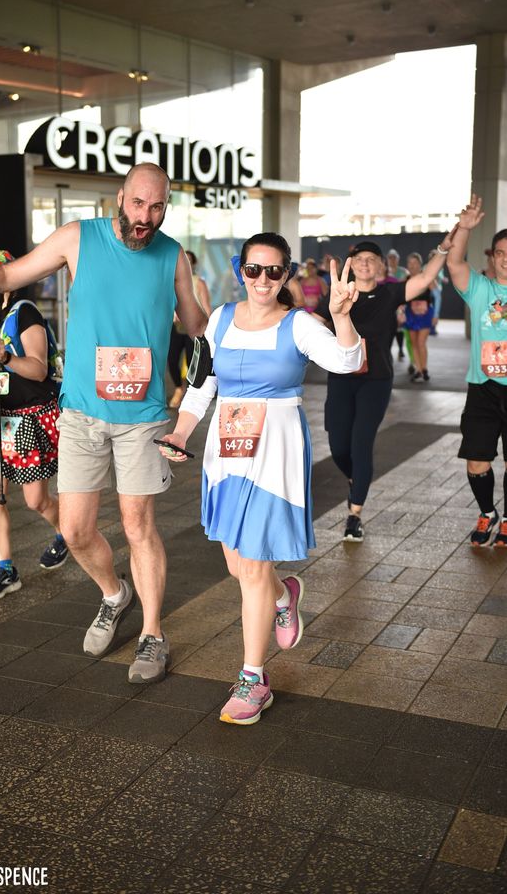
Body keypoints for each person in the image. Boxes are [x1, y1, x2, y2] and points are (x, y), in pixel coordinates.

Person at [0, 163, 208, 683]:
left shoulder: (171, 255)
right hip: (80, 411)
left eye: (157, 207)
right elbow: (10, 275)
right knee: (76, 531)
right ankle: (114, 594)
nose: (145, 217)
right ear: (120, 198)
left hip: (142, 416)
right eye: (138, 204)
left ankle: (152, 633)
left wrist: (214, 310)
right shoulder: (79, 237)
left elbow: (194, 324)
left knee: (137, 526)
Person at [158, 232, 362, 724]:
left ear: (287, 275)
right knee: (238, 566)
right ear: (240, 271)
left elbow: (348, 361)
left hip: (277, 453)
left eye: (274, 271)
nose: (264, 279)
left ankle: (254, 679)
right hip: (227, 454)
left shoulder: (300, 325)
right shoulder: (221, 320)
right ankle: (283, 594)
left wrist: (340, 315)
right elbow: (201, 382)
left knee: (250, 569)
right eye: (255, 270)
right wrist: (182, 432)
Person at [315, 238, 450, 542]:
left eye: (370, 259)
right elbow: (312, 321)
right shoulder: (338, 294)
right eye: (359, 258)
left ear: (380, 266)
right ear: (351, 264)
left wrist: (442, 250)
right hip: (340, 377)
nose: (364, 263)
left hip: (376, 380)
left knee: (361, 443)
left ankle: (354, 515)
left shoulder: (390, 293)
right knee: (338, 447)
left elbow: (427, 278)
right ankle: (356, 478)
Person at [0, 251, 68, 599]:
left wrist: (7, 357)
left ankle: (68, 532)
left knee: (36, 500)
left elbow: (38, 369)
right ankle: (6, 570)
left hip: (28, 416)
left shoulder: (25, 312)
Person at [445, 195, 507, 547]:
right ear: (493, 257)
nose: (506, 258)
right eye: (500, 252)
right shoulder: (481, 290)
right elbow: (454, 263)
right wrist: (464, 230)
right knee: (476, 461)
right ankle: (488, 512)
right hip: (482, 387)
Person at [167, 250, 212, 409]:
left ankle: (190, 395)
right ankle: (179, 389)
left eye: (189, 260)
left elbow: (206, 307)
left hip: (193, 328)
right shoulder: (170, 281)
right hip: (177, 327)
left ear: (192, 264)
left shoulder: (198, 282)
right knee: (171, 360)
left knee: (193, 363)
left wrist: (208, 330)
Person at [404, 252, 434, 382]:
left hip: (425, 313)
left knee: (421, 342)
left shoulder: (426, 277)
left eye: (415, 263)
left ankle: (424, 368)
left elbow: (435, 294)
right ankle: (418, 369)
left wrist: (436, 314)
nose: (412, 266)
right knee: (414, 343)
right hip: (411, 313)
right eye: (410, 263)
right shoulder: (406, 279)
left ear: (420, 264)